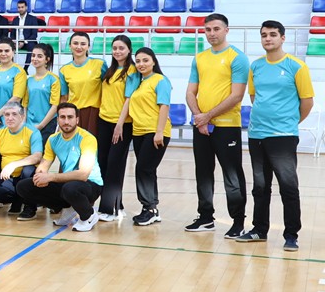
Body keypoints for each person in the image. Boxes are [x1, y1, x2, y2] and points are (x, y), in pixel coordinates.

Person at [236, 20, 313, 251]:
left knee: (288, 187)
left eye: (272, 34)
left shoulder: (296, 66)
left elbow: (307, 102)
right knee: (260, 187)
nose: (267, 38)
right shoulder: (256, 66)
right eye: (264, 35)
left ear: (282, 38)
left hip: (283, 136)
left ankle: (291, 235)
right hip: (257, 134)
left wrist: (289, 123)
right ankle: (259, 230)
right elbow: (254, 97)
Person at [184, 13, 249, 237]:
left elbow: (237, 95)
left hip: (227, 126)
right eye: (208, 29)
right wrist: (198, 116)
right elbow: (190, 92)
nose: (211, 33)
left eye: (216, 29)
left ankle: (238, 222)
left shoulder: (237, 58)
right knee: (203, 172)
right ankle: (205, 218)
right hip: (202, 126)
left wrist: (207, 116)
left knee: (232, 175)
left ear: (226, 30)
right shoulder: (199, 58)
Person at [16, 103, 103, 233]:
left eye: (70, 117)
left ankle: (88, 216)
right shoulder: (53, 139)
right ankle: (68, 207)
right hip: (68, 183)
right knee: (24, 186)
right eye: (62, 117)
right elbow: (44, 165)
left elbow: (83, 174)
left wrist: (50, 177)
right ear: (57, 119)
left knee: (70, 188)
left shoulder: (87, 138)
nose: (66, 121)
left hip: (90, 184)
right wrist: (40, 175)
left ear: (77, 119)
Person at [128, 47, 173, 227]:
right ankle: (151, 209)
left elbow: (164, 106)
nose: (141, 64)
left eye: (145, 60)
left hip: (155, 131)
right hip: (139, 131)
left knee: (143, 169)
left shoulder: (160, 80)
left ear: (153, 61)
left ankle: (150, 208)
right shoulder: (139, 83)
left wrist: (159, 132)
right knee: (147, 170)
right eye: (138, 61)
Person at [95, 35, 138, 222]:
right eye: (114, 48)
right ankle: (116, 205)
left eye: (121, 48)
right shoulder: (110, 70)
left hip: (122, 124)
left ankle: (108, 209)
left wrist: (120, 124)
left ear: (129, 50)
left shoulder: (132, 71)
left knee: (115, 164)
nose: (117, 51)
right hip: (104, 120)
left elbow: (129, 99)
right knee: (103, 162)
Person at [0, 101, 43, 219]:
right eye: (7, 114)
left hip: (26, 176)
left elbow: (37, 156)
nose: (10, 118)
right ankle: (18, 200)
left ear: (22, 116)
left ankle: (30, 208)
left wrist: (14, 164)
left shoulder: (33, 132)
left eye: (14, 114)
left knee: (28, 170)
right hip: (9, 178)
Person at [58, 31, 106, 135]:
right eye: (75, 43)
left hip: (95, 112)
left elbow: (108, 88)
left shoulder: (99, 64)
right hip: (74, 113)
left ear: (88, 47)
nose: (79, 47)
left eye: (83, 44)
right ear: (70, 46)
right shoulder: (64, 70)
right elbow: (64, 98)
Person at [25, 43, 59, 140]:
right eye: (33, 55)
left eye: (39, 56)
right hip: (29, 124)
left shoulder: (53, 79)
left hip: (47, 125)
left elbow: (55, 106)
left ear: (47, 59)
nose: (35, 59)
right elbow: (25, 104)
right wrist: (24, 122)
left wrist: (41, 125)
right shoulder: (29, 80)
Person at [10, 0, 43, 70]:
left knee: (32, 46)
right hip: (17, 41)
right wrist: (15, 41)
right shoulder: (15, 19)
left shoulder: (32, 19)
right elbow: (12, 34)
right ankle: (11, 67)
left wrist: (23, 41)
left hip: (28, 41)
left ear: (26, 7)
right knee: (8, 46)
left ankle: (25, 68)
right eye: (19, 7)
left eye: (22, 7)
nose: (20, 9)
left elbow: (34, 35)